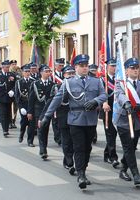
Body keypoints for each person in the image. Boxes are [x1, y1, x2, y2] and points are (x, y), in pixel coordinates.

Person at [40, 54, 107, 189]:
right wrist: (47, 116)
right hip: (75, 119)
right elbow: (57, 100)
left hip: (90, 120)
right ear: (76, 67)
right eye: (81, 66)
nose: (84, 68)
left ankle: (81, 168)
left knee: (87, 148)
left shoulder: (96, 81)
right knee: (79, 147)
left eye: (86, 66)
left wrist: (95, 101)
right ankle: (81, 175)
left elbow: (103, 95)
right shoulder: (68, 82)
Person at [114, 57, 140, 186]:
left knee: (132, 148)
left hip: (137, 121)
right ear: (126, 70)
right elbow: (119, 95)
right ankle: (135, 174)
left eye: (136, 68)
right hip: (124, 120)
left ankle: (123, 169)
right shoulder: (121, 83)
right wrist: (127, 103)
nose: (135, 70)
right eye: (132, 68)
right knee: (128, 147)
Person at [40, 65, 76, 175]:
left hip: (75, 117)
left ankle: (69, 159)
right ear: (64, 75)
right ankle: (69, 161)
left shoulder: (78, 86)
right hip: (63, 117)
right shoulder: (57, 87)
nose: (70, 76)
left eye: (72, 73)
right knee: (66, 140)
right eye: (68, 74)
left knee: (74, 141)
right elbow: (51, 103)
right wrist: (44, 117)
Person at [28, 64, 54, 156]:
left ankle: (44, 147)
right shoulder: (35, 84)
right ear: (41, 73)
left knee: (45, 129)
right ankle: (43, 150)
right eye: (46, 72)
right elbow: (31, 99)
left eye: (49, 72)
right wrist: (30, 112)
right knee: (41, 129)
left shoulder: (52, 84)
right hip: (38, 110)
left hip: (49, 110)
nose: (48, 73)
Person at [101, 58, 119, 168]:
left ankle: (106, 154)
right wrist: (103, 103)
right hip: (107, 110)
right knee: (110, 133)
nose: (114, 68)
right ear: (107, 67)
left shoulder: (119, 79)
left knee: (114, 134)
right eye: (112, 66)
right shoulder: (102, 80)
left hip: (117, 110)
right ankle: (113, 157)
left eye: (115, 66)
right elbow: (98, 93)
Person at [15, 64, 35, 145]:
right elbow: (17, 96)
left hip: (31, 106)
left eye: (28, 71)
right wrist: (20, 107)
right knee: (24, 122)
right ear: (22, 73)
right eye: (26, 72)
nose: (27, 73)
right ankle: (21, 133)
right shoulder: (19, 82)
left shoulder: (33, 81)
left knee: (32, 124)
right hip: (23, 105)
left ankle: (30, 141)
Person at [9, 60, 20, 129]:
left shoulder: (19, 72)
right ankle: (10, 122)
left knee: (15, 108)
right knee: (9, 108)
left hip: (17, 93)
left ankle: (13, 121)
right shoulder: (9, 73)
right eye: (13, 64)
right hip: (10, 93)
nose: (14, 65)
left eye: (15, 64)